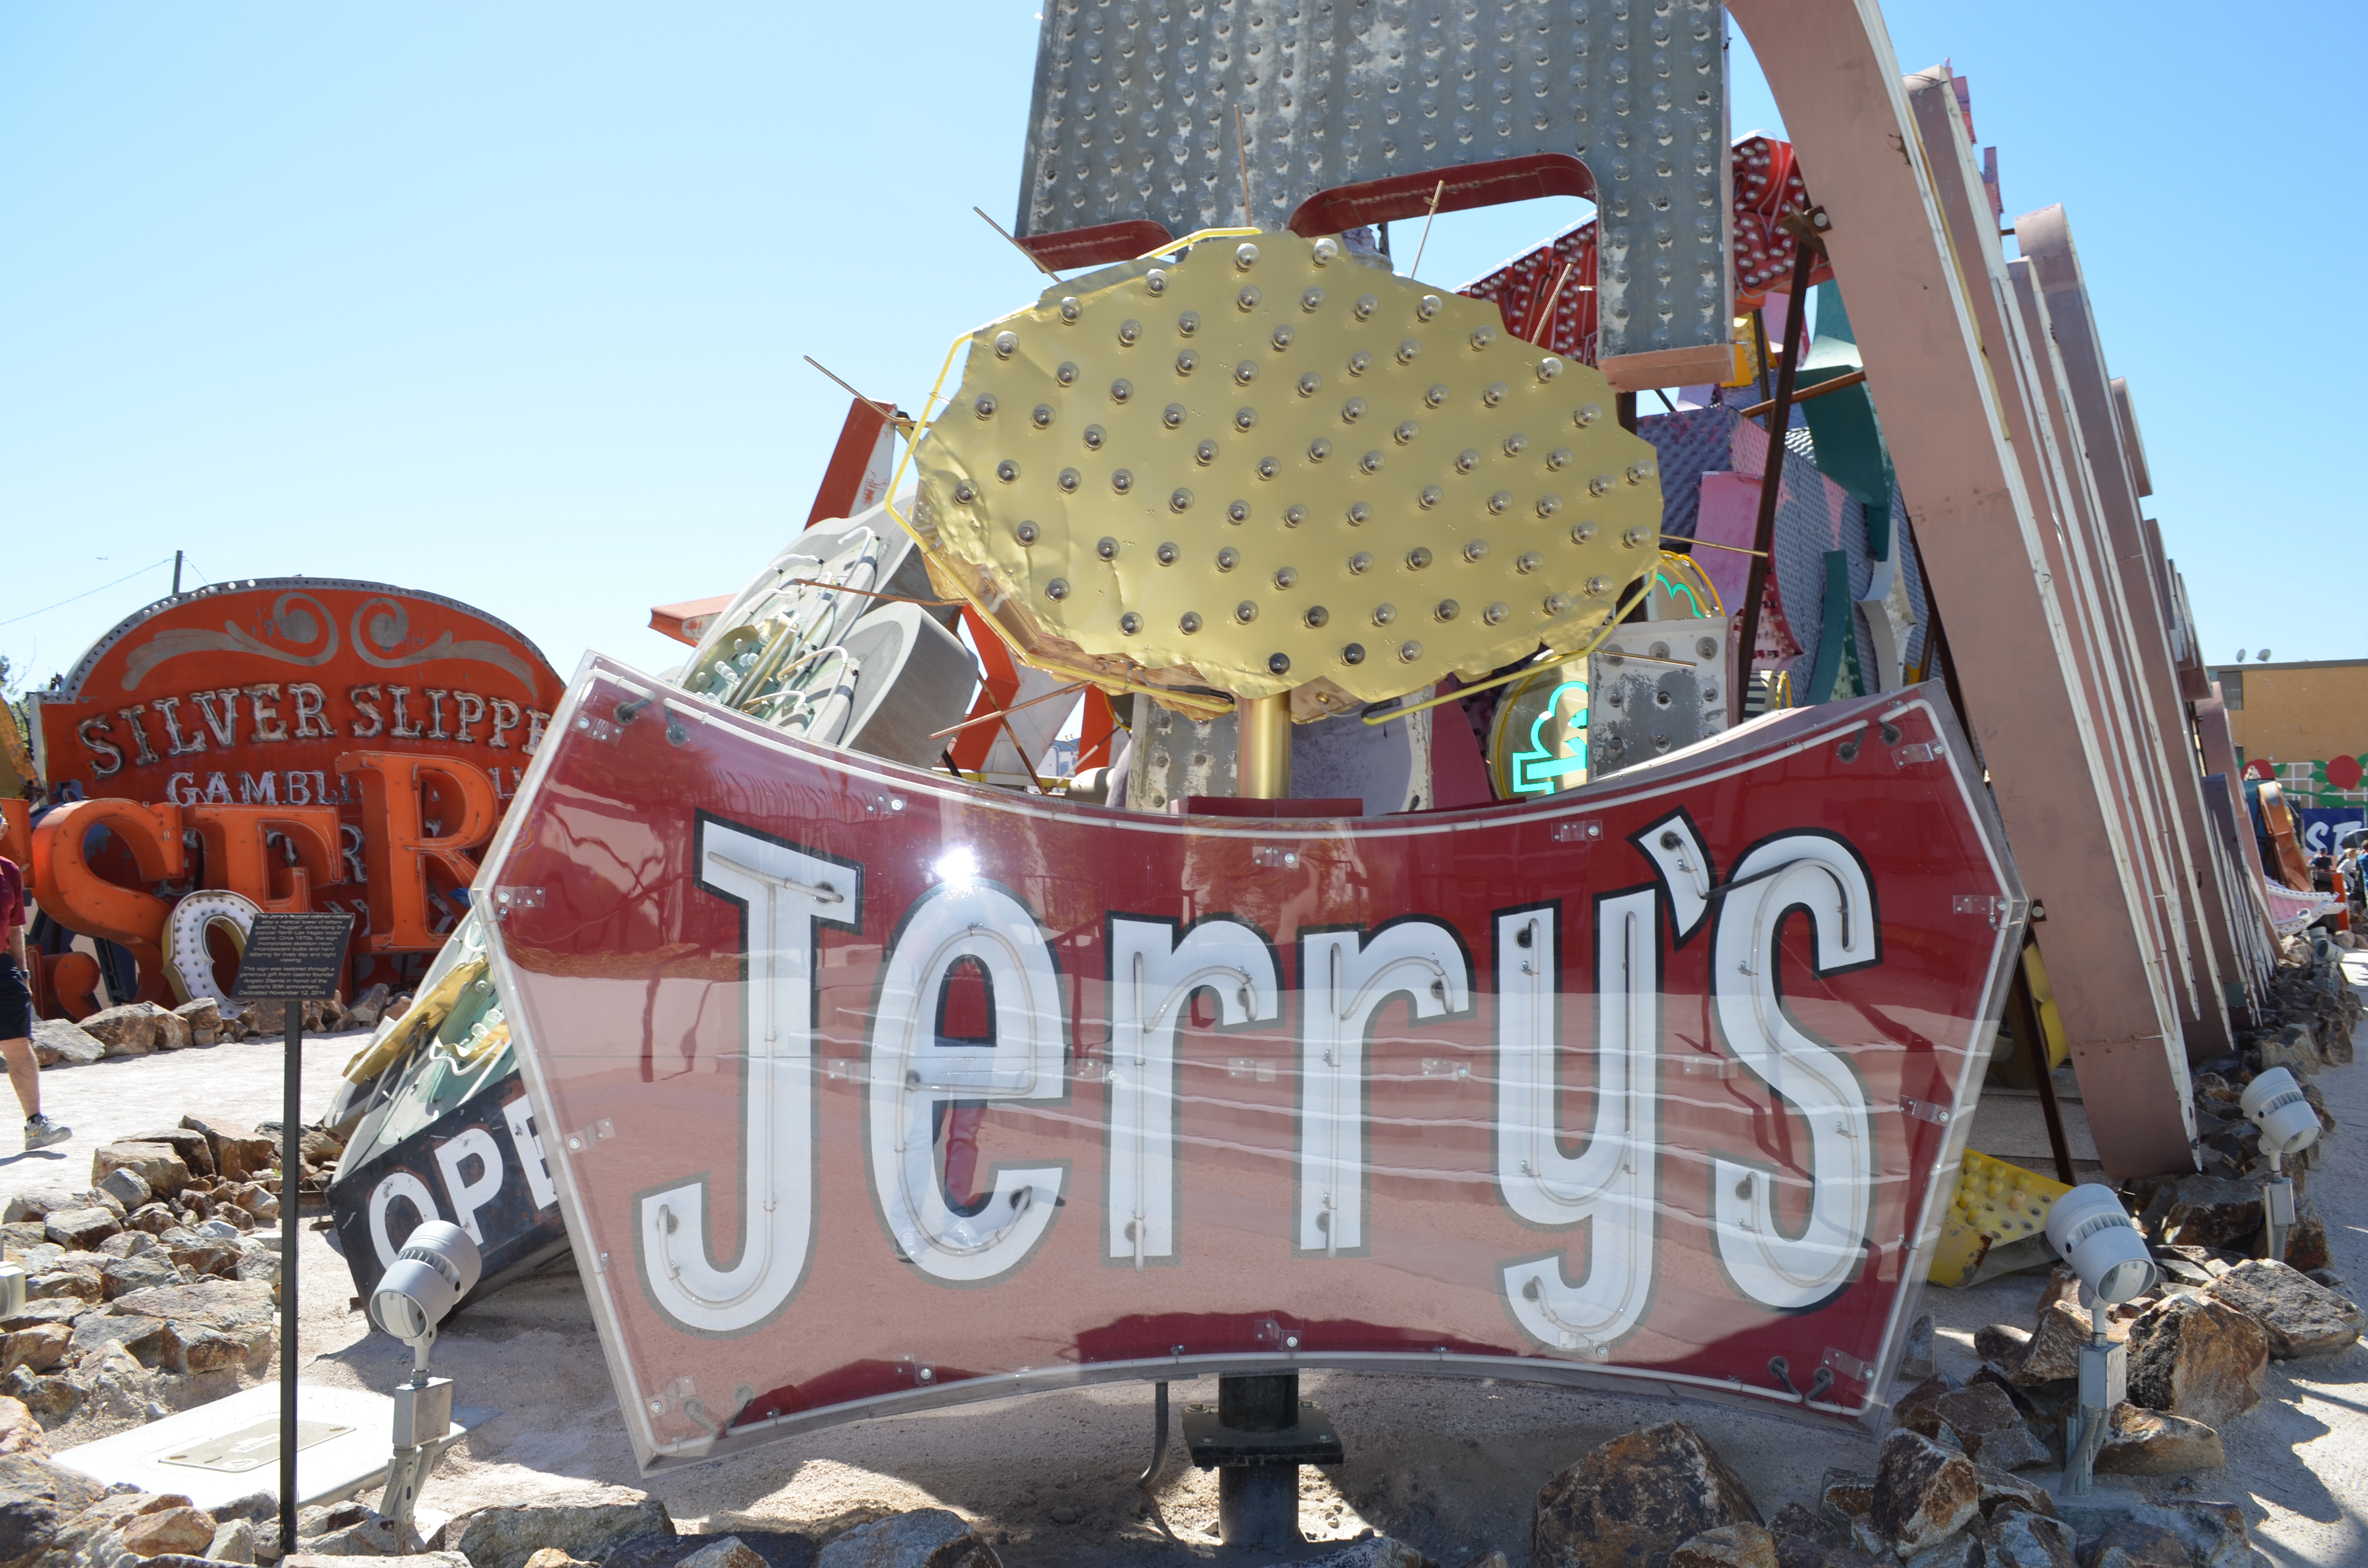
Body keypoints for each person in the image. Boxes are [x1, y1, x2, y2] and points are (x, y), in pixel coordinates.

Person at [0, 852, 71, 1152]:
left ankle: (36, 1125)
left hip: (3, 968)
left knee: (18, 1044)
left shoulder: (8, 870)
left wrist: (22, 972)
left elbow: (16, 926)